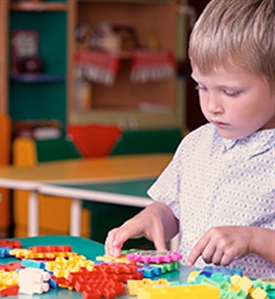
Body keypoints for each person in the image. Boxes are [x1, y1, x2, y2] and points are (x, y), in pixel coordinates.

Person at [105, 0, 274, 278]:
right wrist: (153, 217)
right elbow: (173, 209)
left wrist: (254, 239)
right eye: (201, 86)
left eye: (231, 92)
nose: (212, 106)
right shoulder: (196, 144)